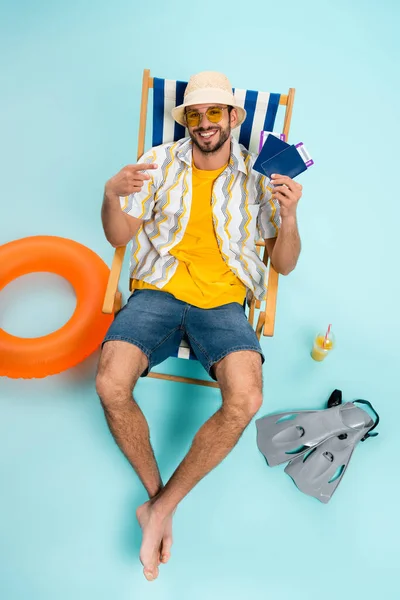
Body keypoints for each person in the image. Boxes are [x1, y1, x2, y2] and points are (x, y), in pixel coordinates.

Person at [96, 71, 302, 581]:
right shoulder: (158, 162)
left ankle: (160, 510)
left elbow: (285, 265)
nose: (205, 123)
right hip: (159, 292)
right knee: (108, 382)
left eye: (216, 112)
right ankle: (158, 501)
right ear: (185, 119)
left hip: (225, 304)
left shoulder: (261, 176)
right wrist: (109, 195)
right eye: (195, 114)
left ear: (234, 117)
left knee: (247, 399)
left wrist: (291, 216)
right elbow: (119, 232)